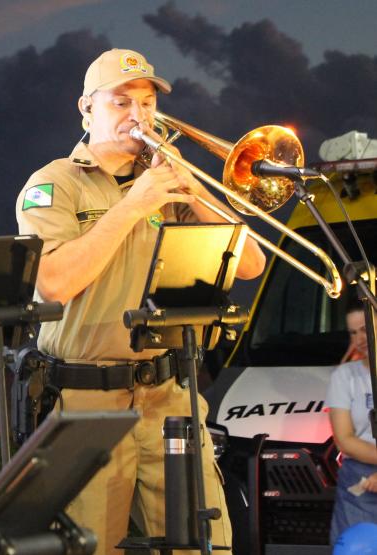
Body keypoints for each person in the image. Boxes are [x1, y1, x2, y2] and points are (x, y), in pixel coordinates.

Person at [15, 48, 267, 554]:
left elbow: (251, 264)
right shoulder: (53, 184)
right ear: (86, 108)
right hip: (86, 400)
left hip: (169, 392)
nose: (138, 114)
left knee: (204, 542)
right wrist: (135, 204)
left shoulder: (168, 183)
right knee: (89, 544)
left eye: (148, 102)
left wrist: (193, 192)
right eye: (121, 101)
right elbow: (54, 284)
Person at [327, 301, 377, 543]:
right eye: (353, 332)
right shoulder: (344, 376)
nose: (360, 338)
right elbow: (344, 440)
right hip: (360, 481)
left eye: (365, 328)